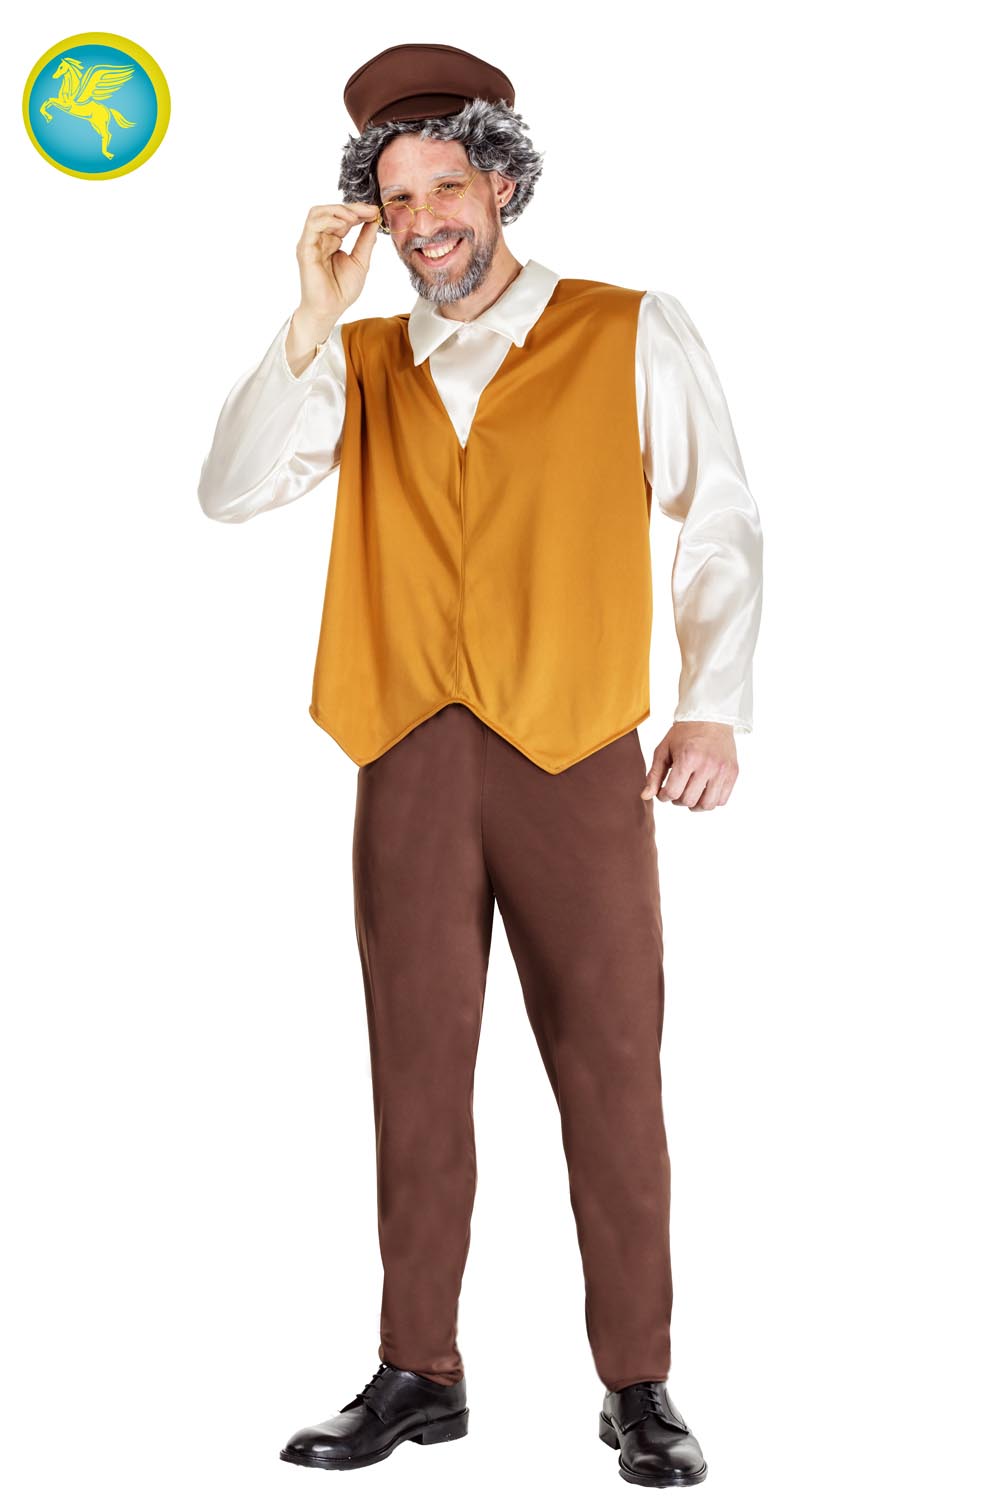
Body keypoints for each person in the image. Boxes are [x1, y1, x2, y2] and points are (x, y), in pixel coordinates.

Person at [198, 41, 763, 1488]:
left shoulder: (629, 327)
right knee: (415, 1073)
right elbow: (231, 491)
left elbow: (718, 517)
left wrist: (711, 707)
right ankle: (418, 1372)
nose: (422, 220)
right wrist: (309, 318)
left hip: (575, 753)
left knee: (611, 1070)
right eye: (396, 199)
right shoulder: (356, 360)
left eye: (444, 186)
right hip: (405, 753)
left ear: (501, 185)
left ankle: (639, 1383)